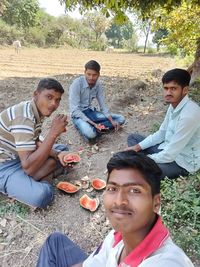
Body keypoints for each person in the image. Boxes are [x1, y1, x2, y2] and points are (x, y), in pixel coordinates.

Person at [36, 151, 194, 267]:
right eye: (112, 189)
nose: (119, 201)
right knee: (55, 241)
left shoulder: (166, 263)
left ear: (156, 202)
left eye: (134, 191)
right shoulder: (116, 236)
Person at [0, 78, 71, 208]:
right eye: (49, 97)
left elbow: (35, 141)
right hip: (4, 166)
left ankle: (36, 175)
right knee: (42, 195)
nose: (53, 104)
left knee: (62, 151)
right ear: (36, 94)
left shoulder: (34, 109)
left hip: (19, 155)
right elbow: (28, 166)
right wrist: (53, 133)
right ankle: (43, 175)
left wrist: (57, 154)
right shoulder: (24, 117)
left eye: (57, 100)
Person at [126, 68, 200, 179]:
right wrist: (136, 148)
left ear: (185, 90)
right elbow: (162, 133)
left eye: (173, 89)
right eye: (166, 88)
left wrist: (144, 159)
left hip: (182, 162)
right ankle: (144, 161)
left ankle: (143, 163)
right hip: (166, 149)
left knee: (143, 173)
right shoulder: (173, 105)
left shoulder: (189, 115)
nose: (168, 93)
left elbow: (170, 154)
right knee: (133, 139)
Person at [69, 60, 125, 141]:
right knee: (91, 134)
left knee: (120, 119)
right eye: (88, 74)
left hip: (90, 112)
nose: (91, 78)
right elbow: (75, 110)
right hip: (78, 115)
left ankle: (94, 129)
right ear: (84, 72)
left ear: (99, 74)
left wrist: (111, 121)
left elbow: (103, 105)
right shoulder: (77, 84)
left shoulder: (98, 85)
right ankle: (91, 129)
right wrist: (94, 124)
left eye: (94, 75)